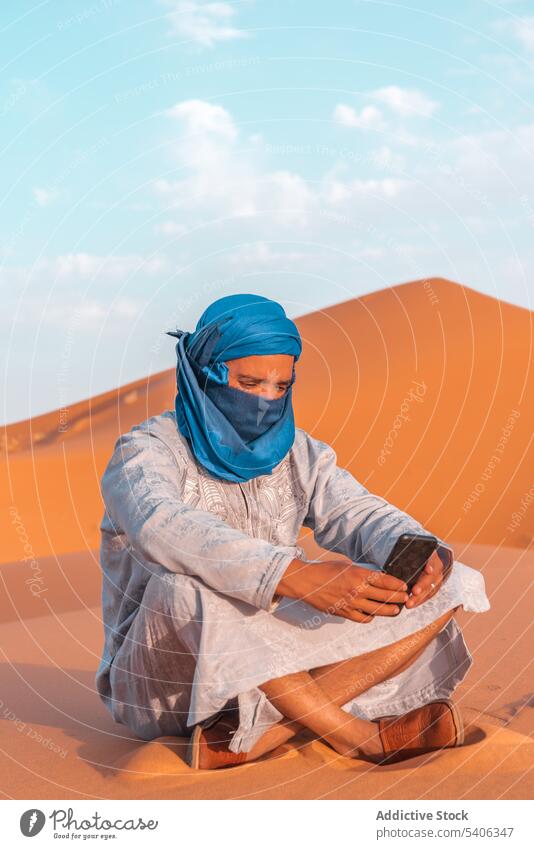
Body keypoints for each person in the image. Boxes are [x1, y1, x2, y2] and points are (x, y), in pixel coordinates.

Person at [95, 293, 490, 770]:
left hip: (278, 670)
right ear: (205, 372)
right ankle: (358, 737)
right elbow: (159, 524)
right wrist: (291, 574)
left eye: (280, 386)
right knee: (186, 586)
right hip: (167, 683)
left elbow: (358, 512)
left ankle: (254, 737)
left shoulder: (299, 454)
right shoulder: (144, 452)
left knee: (453, 580)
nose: (264, 400)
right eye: (248, 382)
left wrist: (415, 548)